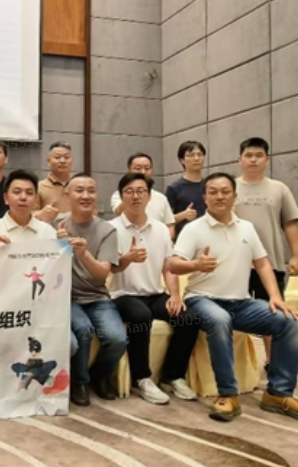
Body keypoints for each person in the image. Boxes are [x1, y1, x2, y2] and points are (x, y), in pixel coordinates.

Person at [169, 173, 298, 423]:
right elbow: (173, 265)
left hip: (241, 303)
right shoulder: (194, 229)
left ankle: (278, 394)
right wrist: (196, 264)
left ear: (235, 197)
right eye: (213, 192)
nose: (219, 196)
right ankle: (228, 394)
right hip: (202, 299)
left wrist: (275, 297)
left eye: (225, 191)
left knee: (288, 321)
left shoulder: (247, 228)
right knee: (219, 319)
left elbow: (262, 263)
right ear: (205, 197)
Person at [109, 173, 199, 405]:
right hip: (122, 295)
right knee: (141, 316)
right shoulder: (111, 229)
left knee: (188, 318)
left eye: (141, 191)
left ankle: (173, 375)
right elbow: (109, 269)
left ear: (149, 197)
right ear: (121, 196)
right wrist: (127, 259)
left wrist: (175, 294)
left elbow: (168, 267)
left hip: (154, 293)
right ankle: (142, 378)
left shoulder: (160, 229)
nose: (135, 196)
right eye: (129, 191)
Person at [235, 137, 298, 371]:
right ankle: (238, 366)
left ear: (267, 160)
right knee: (232, 314)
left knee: (273, 312)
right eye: (248, 155)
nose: (253, 160)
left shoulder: (279, 189)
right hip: (236, 265)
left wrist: (296, 255)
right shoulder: (229, 188)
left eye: (259, 155)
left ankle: (272, 362)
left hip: (270, 263)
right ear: (240, 159)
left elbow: (290, 223)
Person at [59, 174, 124, 407]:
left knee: (117, 339)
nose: (86, 195)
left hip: (97, 296)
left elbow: (102, 274)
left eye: (91, 190)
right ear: (67, 195)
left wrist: (83, 253)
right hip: (66, 297)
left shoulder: (107, 230)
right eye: (79, 190)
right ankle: (80, 382)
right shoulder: (55, 225)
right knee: (84, 331)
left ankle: (101, 377)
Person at [109, 153, 175, 238]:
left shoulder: (161, 198)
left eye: (147, 168)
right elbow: (118, 212)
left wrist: (165, 241)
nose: (143, 172)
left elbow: (169, 224)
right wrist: (128, 195)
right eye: (138, 168)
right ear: (129, 171)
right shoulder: (118, 195)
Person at [0, 169, 55, 244]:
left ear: (35, 199)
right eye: (17, 192)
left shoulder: (48, 232)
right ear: (6, 198)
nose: (23, 197)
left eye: (29, 193)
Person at [166, 140, 207, 237]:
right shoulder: (174, 188)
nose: (196, 158)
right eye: (191, 155)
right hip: (185, 238)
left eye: (200, 155)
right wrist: (183, 215)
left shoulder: (210, 185)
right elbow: (165, 220)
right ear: (182, 160)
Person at [33, 141, 73, 223]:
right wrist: (40, 214)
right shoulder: (38, 187)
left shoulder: (79, 187)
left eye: (66, 157)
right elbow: (27, 215)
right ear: (48, 161)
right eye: (57, 157)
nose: (62, 161)